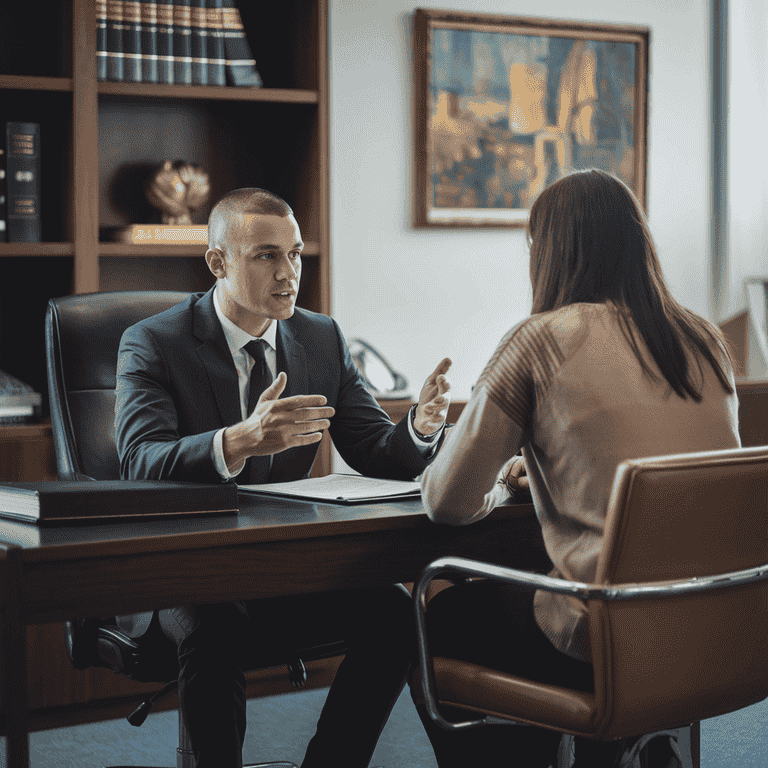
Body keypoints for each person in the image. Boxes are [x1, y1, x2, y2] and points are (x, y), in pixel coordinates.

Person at [412, 169, 741, 768]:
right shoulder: (704, 338)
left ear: (550, 251)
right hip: (718, 625)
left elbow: (446, 502)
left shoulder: (537, 342)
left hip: (609, 637)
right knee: (542, 583)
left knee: (444, 615)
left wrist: (493, 484)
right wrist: (537, 472)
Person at [114, 187, 452, 768]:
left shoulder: (320, 338)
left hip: (279, 564)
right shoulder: (154, 342)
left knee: (397, 614)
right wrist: (237, 441)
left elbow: (374, 447)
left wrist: (419, 427)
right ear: (218, 263)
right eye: (266, 256)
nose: (288, 273)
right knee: (214, 629)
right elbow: (140, 459)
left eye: (295, 254)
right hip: (184, 569)